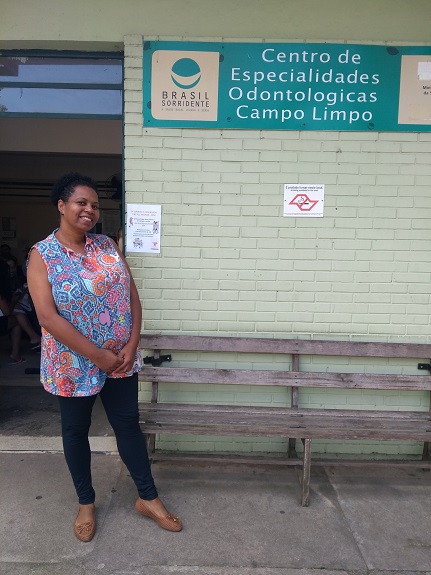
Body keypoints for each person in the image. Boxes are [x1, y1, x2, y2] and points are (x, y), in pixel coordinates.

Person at [26, 173, 182, 543]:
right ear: (62, 206)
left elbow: (131, 295)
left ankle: (148, 497)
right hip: (73, 363)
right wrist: (97, 355)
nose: (90, 210)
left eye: (95, 205)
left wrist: (131, 344)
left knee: (128, 426)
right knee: (76, 432)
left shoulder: (107, 246)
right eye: (81, 202)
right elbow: (47, 317)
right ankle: (85, 503)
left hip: (120, 360)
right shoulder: (41, 254)